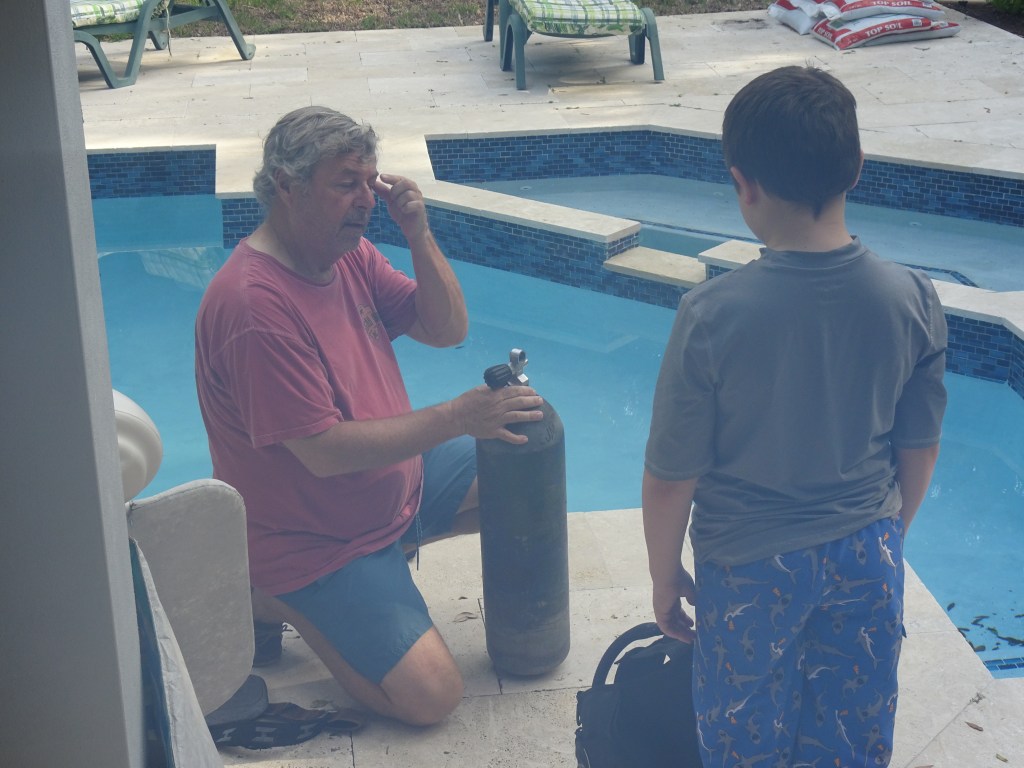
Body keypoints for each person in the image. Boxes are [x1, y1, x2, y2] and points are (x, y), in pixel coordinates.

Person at [194, 106, 544, 726]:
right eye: (345, 183)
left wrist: (418, 233)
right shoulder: (254, 306)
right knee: (432, 698)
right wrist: (459, 415)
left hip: (391, 488)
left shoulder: (344, 255)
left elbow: (446, 328)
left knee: (526, 463)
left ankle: (389, 553)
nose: (365, 200)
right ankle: (272, 598)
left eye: (369, 182)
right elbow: (325, 452)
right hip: (314, 542)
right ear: (286, 186)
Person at [642, 66, 947, 767]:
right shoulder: (913, 299)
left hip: (750, 569)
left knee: (745, 741)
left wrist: (664, 576)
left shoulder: (711, 315)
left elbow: (670, 478)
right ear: (857, 167)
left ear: (742, 183)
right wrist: (883, 538)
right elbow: (920, 448)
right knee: (850, 740)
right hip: (866, 552)